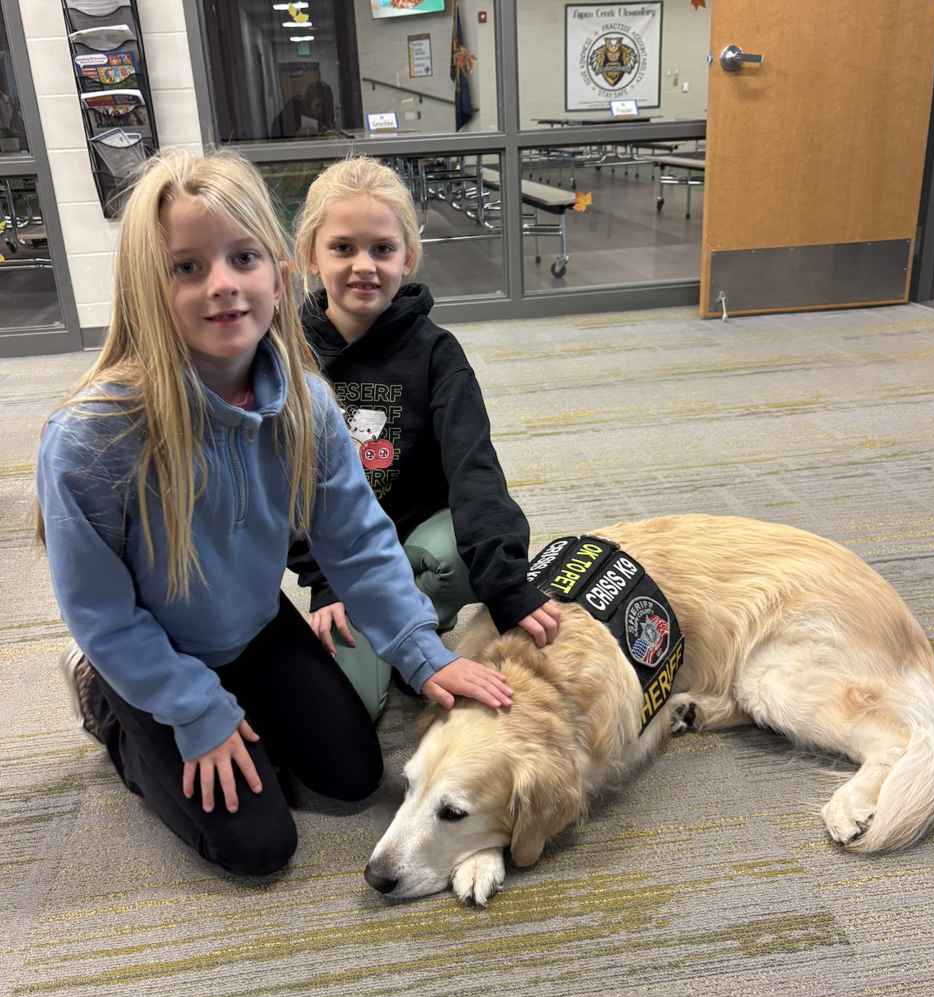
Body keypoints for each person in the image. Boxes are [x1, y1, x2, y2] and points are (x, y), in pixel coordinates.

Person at [35, 150, 512, 877]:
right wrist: (194, 711)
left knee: (352, 780)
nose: (223, 285)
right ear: (143, 288)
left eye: (243, 257)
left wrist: (423, 651)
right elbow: (99, 612)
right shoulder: (90, 437)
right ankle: (107, 706)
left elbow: (356, 543)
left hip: (254, 626)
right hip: (145, 646)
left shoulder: (307, 403)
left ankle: (228, 702)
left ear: (279, 276)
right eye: (186, 267)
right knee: (258, 846)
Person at [289, 156, 560, 720]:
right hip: (343, 557)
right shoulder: (287, 358)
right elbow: (283, 483)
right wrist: (324, 585)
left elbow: (475, 468)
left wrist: (508, 586)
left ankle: (421, 622)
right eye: (343, 248)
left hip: (422, 545)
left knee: (455, 553)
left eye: (382, 249)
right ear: (311, 256)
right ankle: (386, 632)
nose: (364, 266)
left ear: (407, 257)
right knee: (354, 712)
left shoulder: (437, 352)